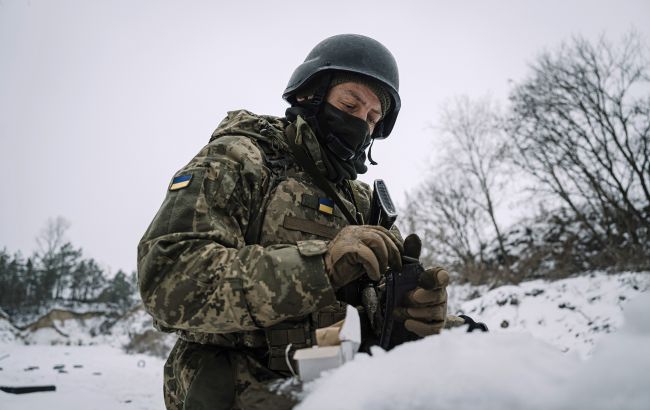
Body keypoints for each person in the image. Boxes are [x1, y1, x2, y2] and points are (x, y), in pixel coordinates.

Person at [137, 34, 449, 410]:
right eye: (350, 104)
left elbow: (374, 313)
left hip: (343, 394)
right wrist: (322, 266)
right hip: (236, 394)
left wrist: (415, 312)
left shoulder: (364, 202)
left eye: (372, 118)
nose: (361, 125)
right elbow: (167, 282)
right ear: (309, 95)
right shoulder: (241, 158)